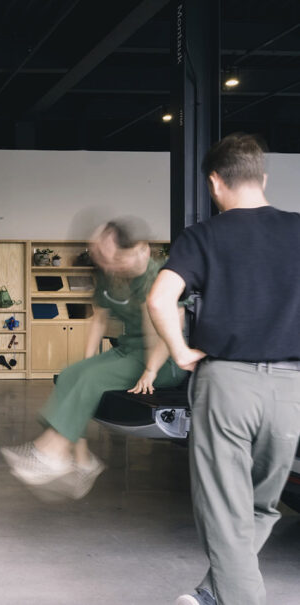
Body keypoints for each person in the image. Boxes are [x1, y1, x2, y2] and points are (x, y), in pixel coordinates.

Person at [147, 134, 300, 605]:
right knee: (262, 506)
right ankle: (213, 593)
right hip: (291, 389)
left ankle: (233, 596)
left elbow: (159, 298)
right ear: (263, 177)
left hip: (227, 385)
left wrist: (179, 350)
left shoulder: (204, 235)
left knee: (222, 508)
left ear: (214, 182)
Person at [1, 219, 187, 498]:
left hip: (164, 360)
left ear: (141, 250)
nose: (107, 264)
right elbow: (99, 319)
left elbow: (167, 332)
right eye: (101, 255)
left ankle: (53, 453)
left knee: (90, 378)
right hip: (128, 350)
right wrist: (86, 363)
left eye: (112, 257)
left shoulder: (157, 277)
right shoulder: (110, 276)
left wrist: (150, 370)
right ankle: (82, 459)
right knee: (71, 375)